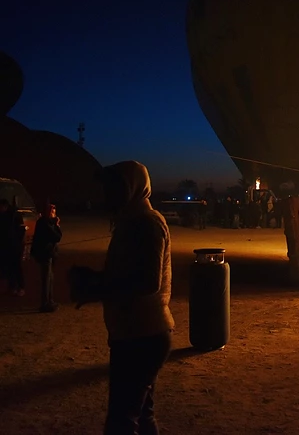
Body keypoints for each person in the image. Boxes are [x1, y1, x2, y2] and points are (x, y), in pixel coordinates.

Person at [74, 160, 175, 434]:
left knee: (122, 421)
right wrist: (97, 278)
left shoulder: (145, 224)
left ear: (133, 188)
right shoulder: (132, 221)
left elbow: (146, 282)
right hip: (139, 333)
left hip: (141, 336)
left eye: (115, 188)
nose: (107, 195)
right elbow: (130, 273)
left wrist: (99, 289)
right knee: (141, 416)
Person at [30, 203, 62, 312]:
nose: (53, 214)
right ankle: (45, 303)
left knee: (50, 278)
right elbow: (57, 237)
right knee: (46, 279)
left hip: (49, 253)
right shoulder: (44, 223)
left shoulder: (45, 222)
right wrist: (57, 225)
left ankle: (50, 301)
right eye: (52, 212)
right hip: (45, 254)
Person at [0, 198, 26, 296]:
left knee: (16, 267)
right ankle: (12, 287)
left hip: (15, 246)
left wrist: (19, 244)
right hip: (7, 246)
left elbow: (21, 231)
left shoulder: (14, 215)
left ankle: (21, 287)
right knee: (9, 267)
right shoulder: (4, 215)